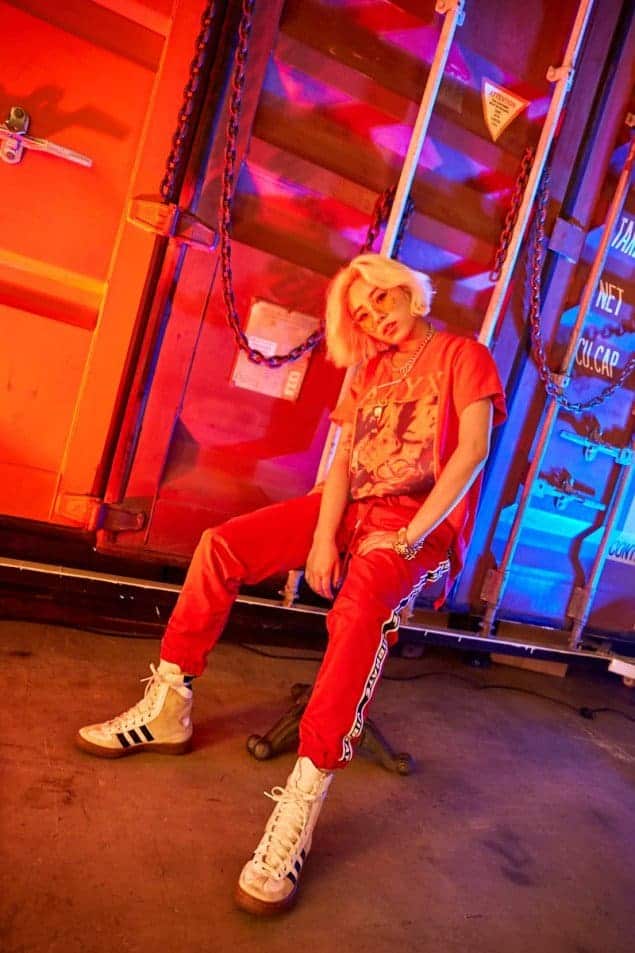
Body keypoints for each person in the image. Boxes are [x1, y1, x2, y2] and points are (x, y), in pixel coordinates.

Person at [77, 253, 507, 916]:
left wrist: (409, 536)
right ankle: (168, 705)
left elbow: (471, 452)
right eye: (361, 314)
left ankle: (304, 795)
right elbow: (343, 467)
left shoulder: (461, 355)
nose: (375, 318)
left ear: (408, 290)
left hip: (418, 529)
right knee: (221, 546)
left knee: (360, 604)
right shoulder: (369, 370)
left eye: (381, 299)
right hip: (350, 511)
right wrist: (321, 537)